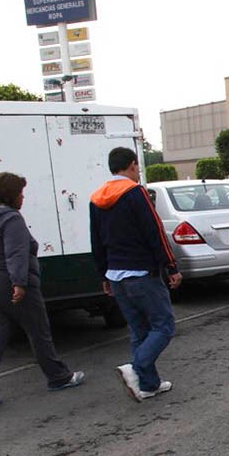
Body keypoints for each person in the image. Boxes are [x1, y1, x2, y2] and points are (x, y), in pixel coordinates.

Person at [0, 173, 84, 408]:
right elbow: (16, 253)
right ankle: (58, 377)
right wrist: (19, 283)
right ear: (11, 194)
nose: (23, 197)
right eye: (20, 193)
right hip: (11, 283)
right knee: (38, 331)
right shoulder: (11, 219)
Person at [90, 147, 182, 402]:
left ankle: (149, 384)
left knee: (139, 330)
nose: (138, 172)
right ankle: (137, 367)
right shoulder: (136, 193)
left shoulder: (96, 199)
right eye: (137, 167)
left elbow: (96, 241)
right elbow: (155, 231)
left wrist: (103, 276)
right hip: (142, 272)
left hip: (116, 275)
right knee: (164, 326)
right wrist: (171, 266)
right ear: (131, 165)